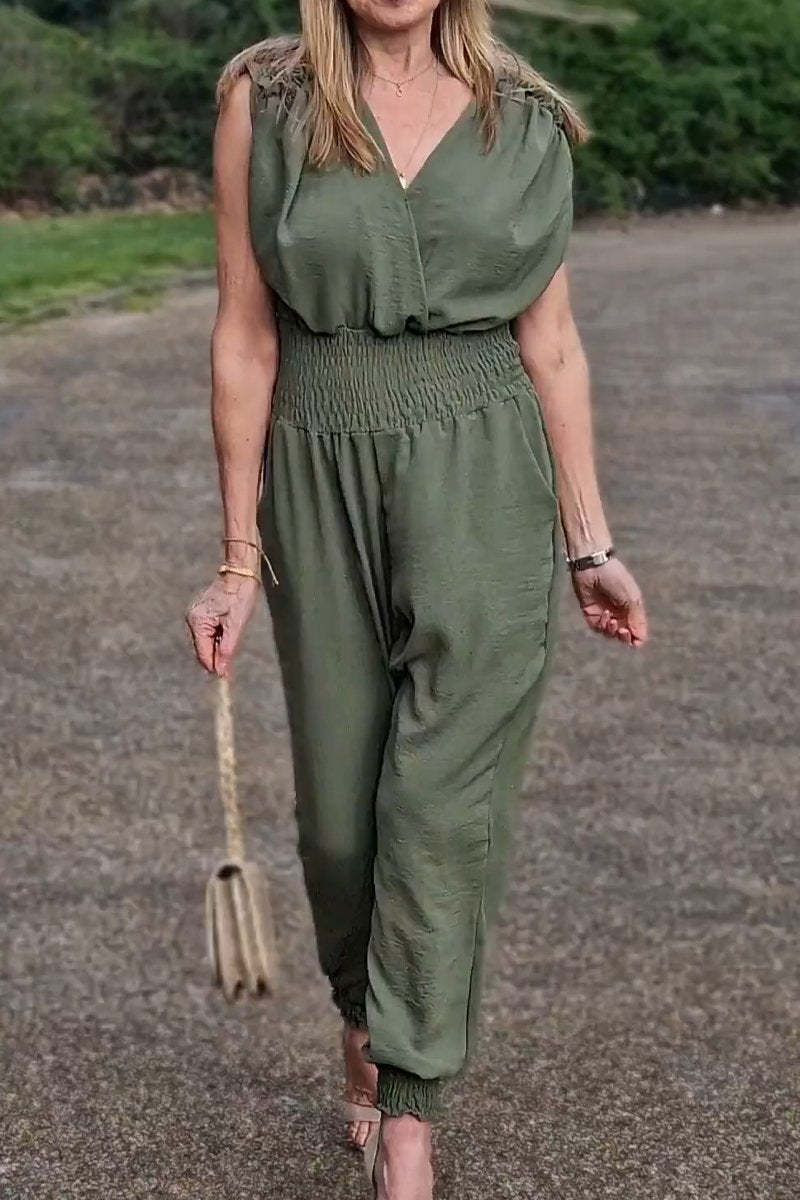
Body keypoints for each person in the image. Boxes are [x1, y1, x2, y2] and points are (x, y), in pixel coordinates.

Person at [186, 2, 649, 1196]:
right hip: (317, 463)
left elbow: (552, 342)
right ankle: (367, 1016)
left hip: (483, 470)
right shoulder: (266, 104)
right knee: (341, 825)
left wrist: (588, 544)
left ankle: (409, 1114)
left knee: (439, 805)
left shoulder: (524, 120)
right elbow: (243, 336)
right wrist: (235, 559)